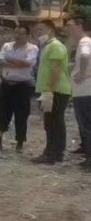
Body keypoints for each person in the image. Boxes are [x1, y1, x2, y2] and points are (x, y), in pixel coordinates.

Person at [0, 24, 38, 152]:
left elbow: (28, 63)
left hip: (22, 85)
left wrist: (9, 62)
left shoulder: (32, 48)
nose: (17, 36)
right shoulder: (7, 46)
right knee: (3, 111)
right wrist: (18, 63)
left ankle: (20, 142)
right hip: (7, 83)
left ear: (27, 35)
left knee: (21, 114)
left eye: (21, 33)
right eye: (16, 33)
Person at [32, 20, 72, 164]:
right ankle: (52, 151)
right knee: (50, 122)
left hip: (57, 90)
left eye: (41, 29)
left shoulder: (55, 46)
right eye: (36, 31)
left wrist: (50, 91)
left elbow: (56, 70)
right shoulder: (45, 47)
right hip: (48, 90)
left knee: (54, 121)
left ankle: (54, 153)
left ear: (50, 29)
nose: (38, 33)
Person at [67, 17, 91, 170]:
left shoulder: (84, 42)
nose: (67, 28)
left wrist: (82, 73)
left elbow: (85, 55)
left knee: (86, 126)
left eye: (70, 25)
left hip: (84, 92)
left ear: (79, 26)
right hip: (84, 91)